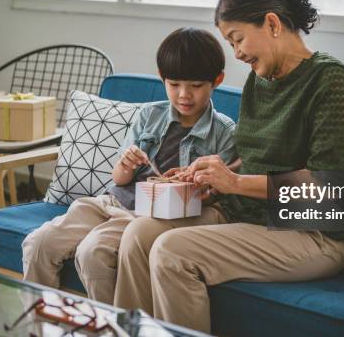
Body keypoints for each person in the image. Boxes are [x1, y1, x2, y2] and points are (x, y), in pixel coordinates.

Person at [113, 0, 344, 333]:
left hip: (312, 235)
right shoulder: (259, 81)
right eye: (230, 43)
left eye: (237, 39)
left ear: (272, 23)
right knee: (138, 235)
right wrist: (213, 171)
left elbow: (327, 185)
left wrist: (234, 181)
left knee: (172, 251)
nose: (237, 53)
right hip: (246, 216)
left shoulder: (330, 82)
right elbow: (256, 157)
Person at [21, 27, 237, 304]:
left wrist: (195, 182)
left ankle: (113, 329)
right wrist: (126, 163)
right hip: (111, 201)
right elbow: (120, 179)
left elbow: (213, 198)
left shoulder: (225, 132)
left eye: (195, 86)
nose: (184, 94)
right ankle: (40, 325)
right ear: (162, 78)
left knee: (93, 254)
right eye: (174, 84)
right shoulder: (149, 115)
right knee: (39, 243)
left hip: (146, 217)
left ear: (216, 80)